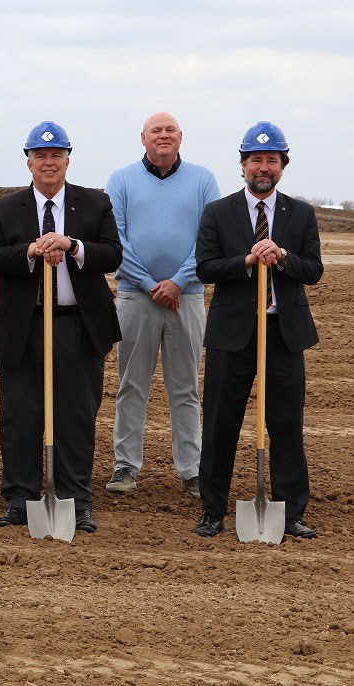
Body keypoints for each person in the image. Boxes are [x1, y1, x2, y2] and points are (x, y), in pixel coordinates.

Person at [0, 122, 122, 534]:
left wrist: (72, 246)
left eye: (56, 154)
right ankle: (20, 499)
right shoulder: (5, 209)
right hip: (23, 330)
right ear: (28, 161)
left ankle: (76, 500)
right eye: (40, 155)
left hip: (78, 327)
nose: (48, 162)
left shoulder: (95, 203)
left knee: (76, 417)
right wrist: (29, 250)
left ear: (67, 159)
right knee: (21, 416)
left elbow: (112, 253)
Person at [192, 121, 323, 539]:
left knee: (286, 424)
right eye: (255, 160)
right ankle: (212, 510)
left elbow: (314, 270)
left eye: (271, 160)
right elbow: (206, 267)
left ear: (282, 166)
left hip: (283, 335)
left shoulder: (300, 214)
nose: (262, 168)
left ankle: (290, 512)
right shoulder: (218, 212)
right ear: (243, 165)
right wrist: (247, 261)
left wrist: (282, 255)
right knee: (220, 424)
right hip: (232, 336)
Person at [105, 112, 221, 500]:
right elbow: (116, 240)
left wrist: (177, 281)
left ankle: (191, 470)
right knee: (130, 385)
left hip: (185, 298)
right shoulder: (121, 180)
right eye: (156, 130)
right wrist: (152, 284)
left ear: (181, 137)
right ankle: (126, 465)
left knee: (185, 388)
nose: (163, 135)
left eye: (170, 129)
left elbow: (209, 239)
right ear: (143, 139)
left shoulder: (203, 180)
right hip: (136, 298)